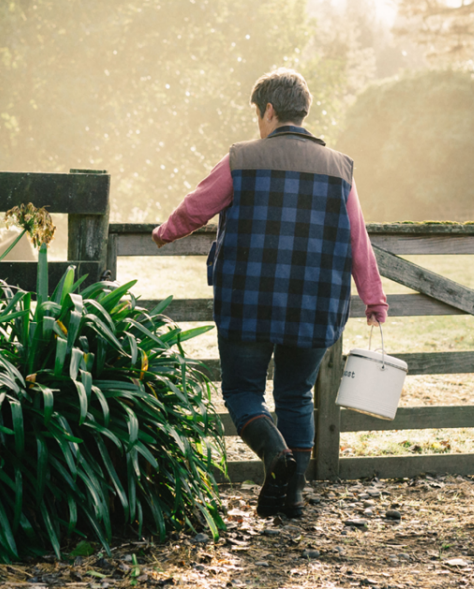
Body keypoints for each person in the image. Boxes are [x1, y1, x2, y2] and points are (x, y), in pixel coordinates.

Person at [152, 68, 388, 518]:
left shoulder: (242, 158)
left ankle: (277, 459)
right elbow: (359, 239)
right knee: (296, 397)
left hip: (248, 301)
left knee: (242, 392)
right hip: (315, 306)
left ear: (269, 111)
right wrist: (374, 299)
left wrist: (165, 232)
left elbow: (196, 207)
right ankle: (293, 496)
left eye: (258, 115)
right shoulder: (340, 168)